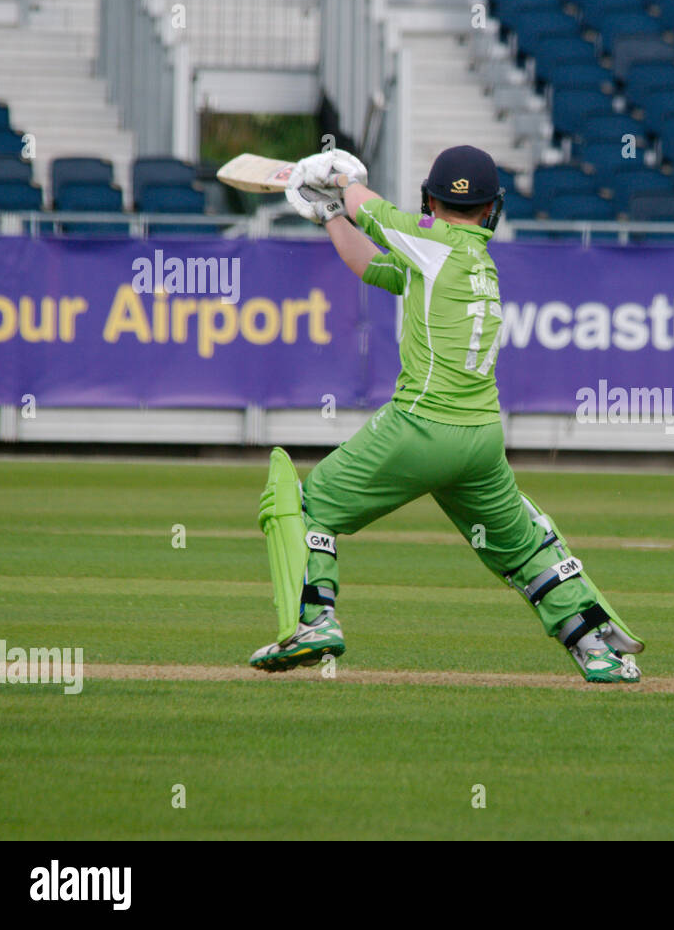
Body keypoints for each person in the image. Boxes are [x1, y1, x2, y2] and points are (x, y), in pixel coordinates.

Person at [248, 145, 643, 682]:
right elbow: (371, 264)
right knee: (523, 550)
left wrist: (337, 178)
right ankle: (596, 648)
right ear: (491, 210)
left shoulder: (431, 240)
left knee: (307, 507)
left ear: (430, 201)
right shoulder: (469, 261)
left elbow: (376, 212)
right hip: (479, 441)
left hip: (420, 426)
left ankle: (315, 621)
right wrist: (332, 215)